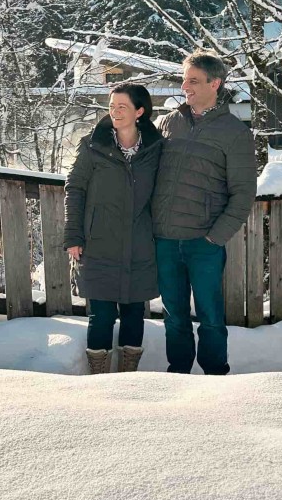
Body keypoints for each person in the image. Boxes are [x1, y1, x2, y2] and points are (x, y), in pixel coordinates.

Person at [152, 52, 256, 375]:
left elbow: (243, 193)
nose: (185, 86)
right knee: (174, 317)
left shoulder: (234, 132)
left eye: (193, 81)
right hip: (165, 240)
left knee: (210, 318)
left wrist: (215, 238)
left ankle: (215, 378)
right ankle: (178, 376)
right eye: (184, 80)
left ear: (215, 83)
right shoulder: (168, 123)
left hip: (204, 243)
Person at [63, 83, 162, 374]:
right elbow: (75, 188)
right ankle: (98, 378)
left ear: (139, 112)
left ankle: (127, 378)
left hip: (140, 244)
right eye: (111, 106)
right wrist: (73, 236)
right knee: (102, 315)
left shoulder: (156, 149)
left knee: (134, 314)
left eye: (122, 106)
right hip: (99, 243)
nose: (115, 112)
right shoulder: (93, 146)